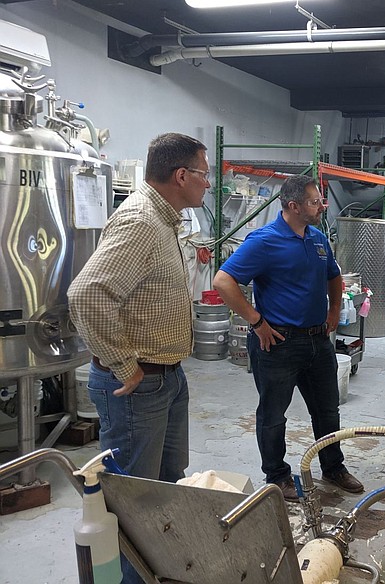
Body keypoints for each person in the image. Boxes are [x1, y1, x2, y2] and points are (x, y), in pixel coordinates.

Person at [68, 132, 210, 581]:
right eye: (204, 175)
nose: (208, 184)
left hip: (167, 376)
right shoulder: (142, 221)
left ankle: (159, 571)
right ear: (181, 175)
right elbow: (88, 294)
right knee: (135, 501)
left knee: (167, 483)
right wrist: (124, 364)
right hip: (138, 384)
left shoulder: (167, 222)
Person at [212, 174, 363, 502]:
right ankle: (278, 475)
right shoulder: (264, 241)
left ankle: (333, 467)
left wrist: (334, 310)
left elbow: (334, 276)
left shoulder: (318, 238)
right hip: (278, 343)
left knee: (327, 410)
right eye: (315, 201)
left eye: (320, 200)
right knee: (273, 415)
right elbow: (223, 281)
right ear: (293, 206)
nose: (321, 206)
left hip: (317, 341)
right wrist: (256, 322)